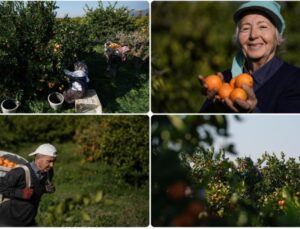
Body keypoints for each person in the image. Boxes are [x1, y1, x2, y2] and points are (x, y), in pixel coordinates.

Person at [199, 1, 300, 113]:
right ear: (237, 38)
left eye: (263, 27)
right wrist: (215, 106)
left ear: (277, 37)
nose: (253, 35)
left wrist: (252, 112)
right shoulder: (225, 80)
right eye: (246, 28)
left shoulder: (295, 79)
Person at [0, 144, 57, 226]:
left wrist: (46, 189)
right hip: (7, 220)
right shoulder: (20, 172)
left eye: (54, 161)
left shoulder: (48, 172)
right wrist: (20, 193)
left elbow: (36, 189)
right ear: (38, 159)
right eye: (49, 161)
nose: (52, 165)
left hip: (28, 220)